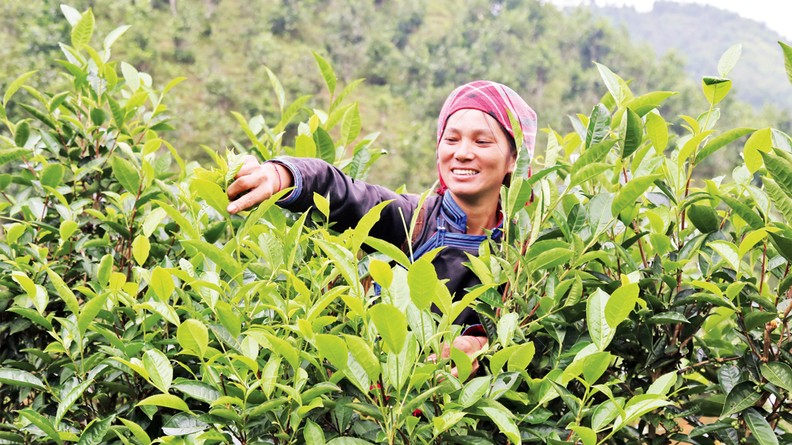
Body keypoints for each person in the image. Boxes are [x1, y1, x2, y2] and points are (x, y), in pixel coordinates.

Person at [226, 80, 537, 377]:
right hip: (380, 406)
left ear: (514, 159)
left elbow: (533, 336)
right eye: (451, 139)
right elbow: (345, 193)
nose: (462, 152)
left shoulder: (530, 253)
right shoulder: (412, 219)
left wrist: (485, 345)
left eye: (482, 141)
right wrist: (282, 177)